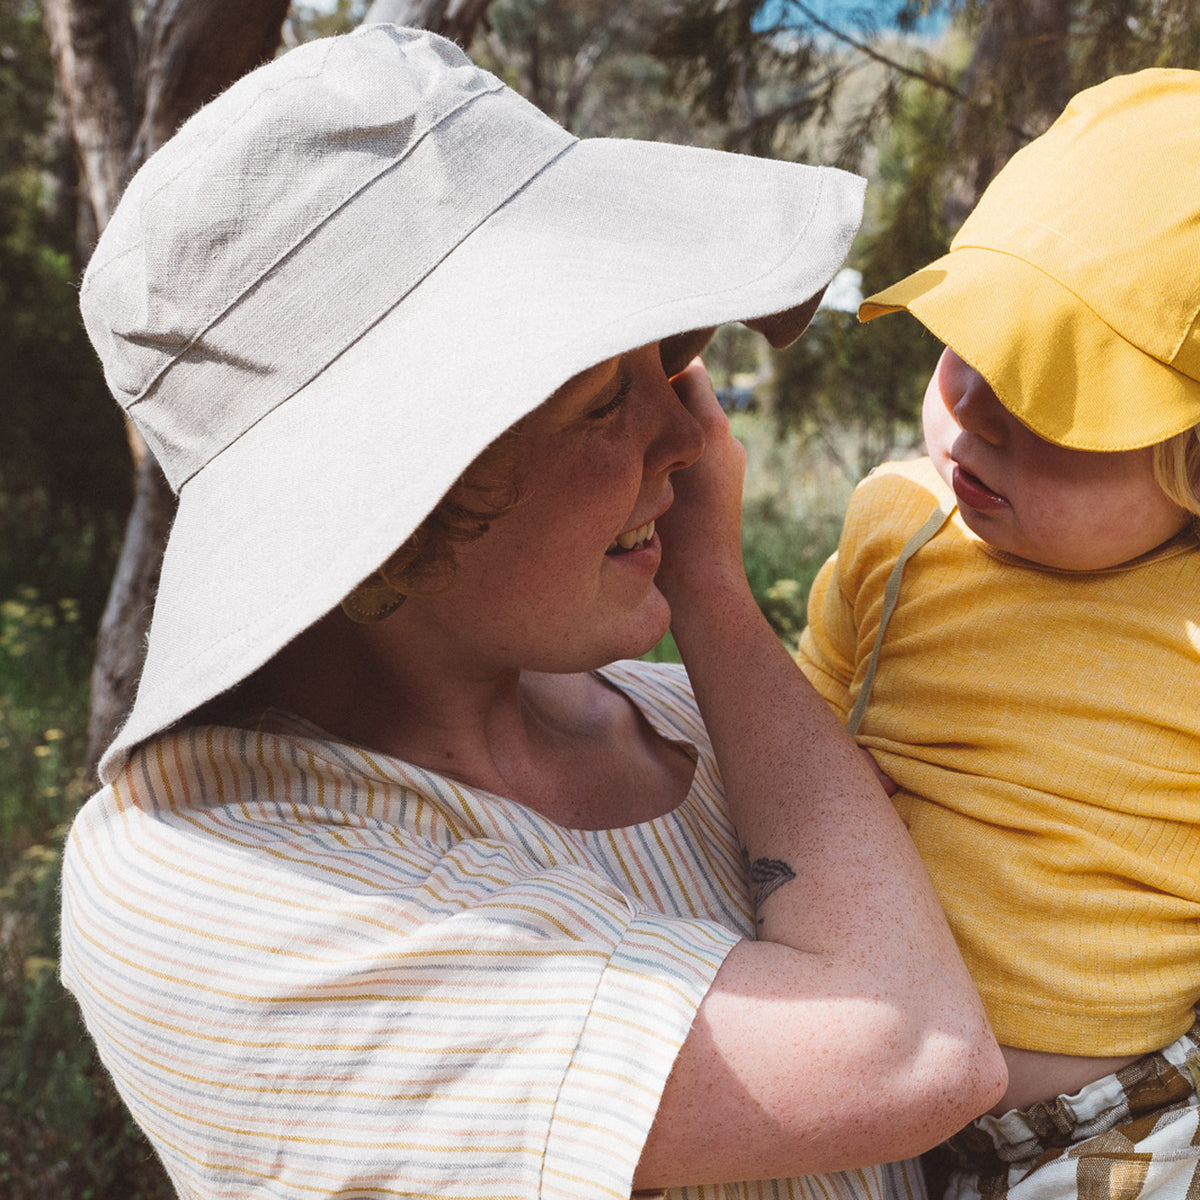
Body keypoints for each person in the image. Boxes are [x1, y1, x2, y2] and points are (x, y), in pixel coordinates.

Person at [59, 24, 1005, 1200]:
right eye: (603, 397)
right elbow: (912, 1052)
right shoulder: (209, 876)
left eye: (668, 361)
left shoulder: (700, 722)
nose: (693, 437)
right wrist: (713, 595)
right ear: (386, 503)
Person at [796, 68, 1200, 1200]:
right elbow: (797, 731)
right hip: (871, 1100)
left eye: (1047, 397)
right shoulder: (898, 527)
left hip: (1136, 1118)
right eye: (966, 343)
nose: (971, 404)